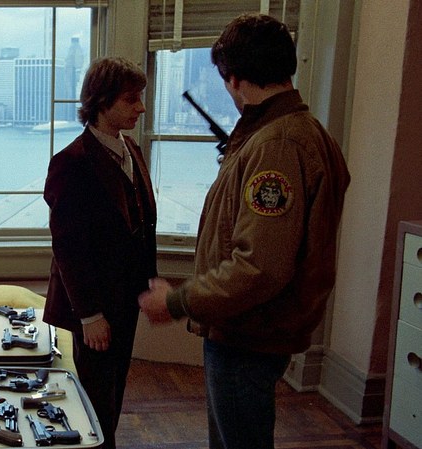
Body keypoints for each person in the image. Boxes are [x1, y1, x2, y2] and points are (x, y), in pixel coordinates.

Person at [138, 13, 350, 449]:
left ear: (233, 78)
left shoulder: (277, 144)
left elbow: (259, 266)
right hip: (259, 333)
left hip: (246, 336)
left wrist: (176, 301)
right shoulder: (298, 133)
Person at [43, 56, 157, 449]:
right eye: (131, 99)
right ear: (102, 101)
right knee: (94, 399)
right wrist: (90, 315)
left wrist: (148, 287)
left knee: (114, 390)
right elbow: (68, 247)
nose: (141, 107)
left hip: (127, 301)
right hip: (95, 308)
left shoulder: (132, 150)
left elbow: (141, 226)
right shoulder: (71, 162)